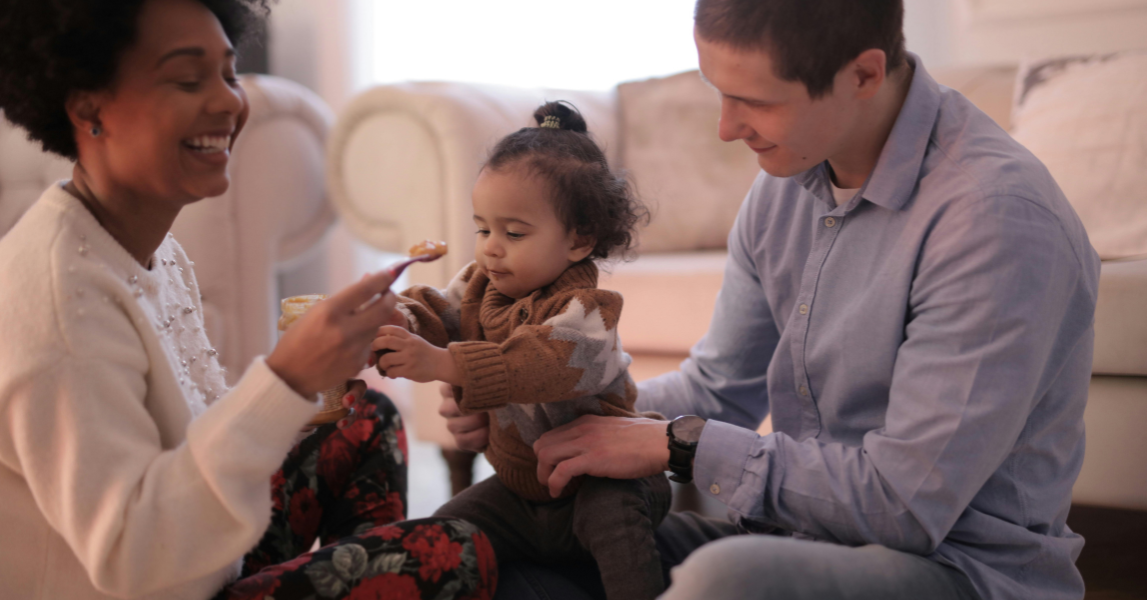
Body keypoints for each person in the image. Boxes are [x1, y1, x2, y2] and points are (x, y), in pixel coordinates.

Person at [439, 1, 1101, 599]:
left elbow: (904, 504)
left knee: (721, 581)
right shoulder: (785, 183)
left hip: (957, 571)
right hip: (794, 541)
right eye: (718, 94)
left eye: (754, 100)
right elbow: (719, 386)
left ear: (863, 75)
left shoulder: (993, 219)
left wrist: (676, 446)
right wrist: (537, 420)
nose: (727, 128)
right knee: (489, 557)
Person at [0, 1, 495, 599]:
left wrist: (316, 372)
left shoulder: (144, 242)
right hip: (147, 580)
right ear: (87, 108)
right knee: (456, 552)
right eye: (187, 79)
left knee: (366, 419)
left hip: (205, 559)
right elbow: (132, 555)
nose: (229, 102)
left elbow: (197, 438)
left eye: (229, 74)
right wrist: (287, 377)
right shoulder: (59, 295)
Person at [372, 101, 671, 600]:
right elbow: (434, 309)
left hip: (600, 484)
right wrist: (389, 321)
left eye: (513, 233)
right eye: (483, 229)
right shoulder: (476, 285)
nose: (491, 247)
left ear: (579, 239)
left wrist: (445, 363)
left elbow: (543, 363)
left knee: (614, 526)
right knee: (444, 532)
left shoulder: (590, 312)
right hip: (521, 494)